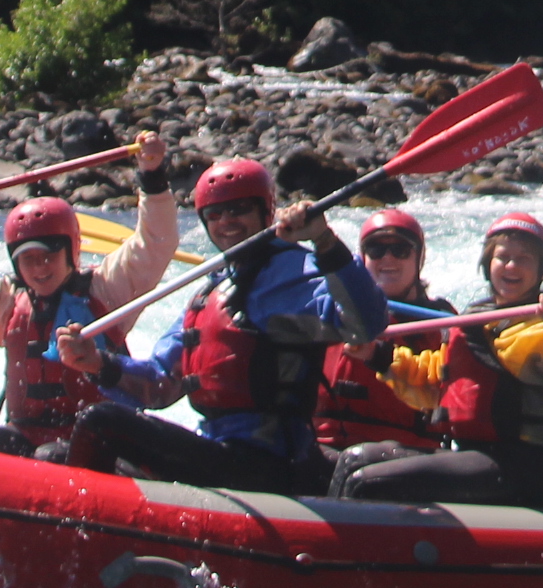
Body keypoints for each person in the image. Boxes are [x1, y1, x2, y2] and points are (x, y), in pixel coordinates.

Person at [59, 156, 387, 492]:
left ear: (266, 213)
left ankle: (73, 529)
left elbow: (365, 324)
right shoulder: (212, 288)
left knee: (101, 422)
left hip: (271, 463)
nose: (226, 221)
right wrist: (99, 364)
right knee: (59, 453)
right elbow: (160, 383)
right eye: (214, 214)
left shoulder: (295, 273)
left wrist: (325, 240)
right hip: (217, 452)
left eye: (239, 209)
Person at [0, 133, 177, 456]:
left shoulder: (108, 289)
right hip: (28, 435)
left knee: (50, 455)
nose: (39, 268)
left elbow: (155, 244)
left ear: (71, 252)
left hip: (99, 442)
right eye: (28, 259)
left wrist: (151, 176)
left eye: (48, 255)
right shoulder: (5, 301)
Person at [337, 210, 543, 508]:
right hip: (473, 457)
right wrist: (376, 355)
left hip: (523, 473)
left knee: (366, 483)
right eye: (502, 257)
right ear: (487, 264)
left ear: (541, 270)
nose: (511, 266)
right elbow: (433, 384)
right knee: (354, 459)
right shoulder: (475, 320)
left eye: (524, 258)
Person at [316, 209, 451, 477]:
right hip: (327, 446)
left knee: (354, 465)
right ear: (362, 258)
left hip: (405, 454)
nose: (387, 258)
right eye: (376, 249)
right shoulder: (330, 308)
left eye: (400, 249)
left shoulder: (442, 324)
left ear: (419, 258)